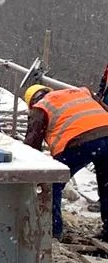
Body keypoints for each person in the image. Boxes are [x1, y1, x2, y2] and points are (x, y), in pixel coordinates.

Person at [23, 84, 108, 240]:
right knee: (107, 185)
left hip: (78, 142)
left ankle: (54, 232)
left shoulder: (41, 107)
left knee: (51, 183)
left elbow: (32, 145)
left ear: (31, 102)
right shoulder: (81, 92)